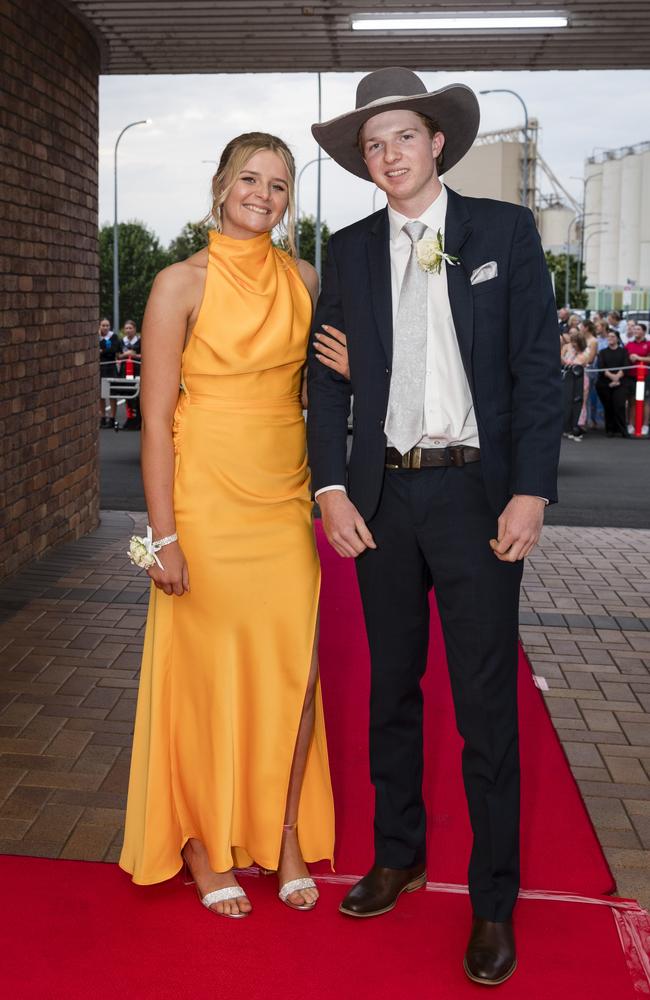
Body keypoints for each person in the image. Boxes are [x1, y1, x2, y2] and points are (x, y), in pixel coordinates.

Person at [307, 68, 561, 986]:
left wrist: (531, 490)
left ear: (437, 143)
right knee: (391, 693)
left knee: (487, 706)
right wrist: (330, 488)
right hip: (382, 501)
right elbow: (327, 382)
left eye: (402, 138)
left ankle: (493, 902)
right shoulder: (348, 249)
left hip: (474, 494)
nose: (388, 155)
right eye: (372, 146)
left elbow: (538, 369)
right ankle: (398, 853)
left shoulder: (501, 232)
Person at [120, 132, 339, 917]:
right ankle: (203, 843)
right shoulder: (178, 283)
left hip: (284, 499)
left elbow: (325, 395)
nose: (263, 194)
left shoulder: (306, 279)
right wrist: (163, 537)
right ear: (221, 186)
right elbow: (152, 425)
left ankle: (280, 834)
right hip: (204, 503)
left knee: (296, 672)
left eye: (278, 185)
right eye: (251, 179)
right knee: (202, 675)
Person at [596, 329, 628, 437]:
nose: (610, 338)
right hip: (605, 382)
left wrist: (617, 378)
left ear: (617, 338)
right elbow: (601, 366)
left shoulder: (623, 351)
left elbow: (625, 365)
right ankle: (610, 429)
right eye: (609, 336)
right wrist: (612, 377)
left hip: (620, 382)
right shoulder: (603, 352)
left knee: (619, 405)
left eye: (613, 336)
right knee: (608, 406)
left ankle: (623, 430)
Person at [561, 329, 591, 440]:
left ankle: (578, 426)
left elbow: (578, 363)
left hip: (581, 380)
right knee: (568, 401)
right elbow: (563, 361)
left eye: (575, 342)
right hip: (569, 379)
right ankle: (568, 426)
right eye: (572, 341)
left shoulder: (585, 352)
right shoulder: (569, 349)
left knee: (580, 402)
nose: (573, 344)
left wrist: (565, 360)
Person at [624, 321, 650, 435]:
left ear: (644, 331)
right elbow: (624, 357)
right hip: (631, 376)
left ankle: (645, 425)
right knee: (631, 401)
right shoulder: (629, 344)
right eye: (635, 329)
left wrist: (639, 357)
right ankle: (630, 424)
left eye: (638, 329)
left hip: (644, 377)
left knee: (644, 401)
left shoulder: (648, 344)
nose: (636, 331)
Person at [117, 318, 142, 430]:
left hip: (137, 370)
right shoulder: (122, 341)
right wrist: (126, 354)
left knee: (137, 395)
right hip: (125, 370)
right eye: (126, 328)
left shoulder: (140, 341)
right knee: (128, 395)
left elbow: (144, 354)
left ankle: (138, 419)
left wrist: (134, 355)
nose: (128, 330)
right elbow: (118, 355)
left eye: (130, 328)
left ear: (135, 329)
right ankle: (130, 418)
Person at [98, 317, 121, 429]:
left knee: (112, 393)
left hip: (111, 367)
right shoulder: (97, 337)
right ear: (99, 326)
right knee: (100, 394)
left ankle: (112, 418)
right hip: (100, 368)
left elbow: (114, 349)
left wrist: (102, 351)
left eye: (107, 325)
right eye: (103, 325)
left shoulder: (114, 337)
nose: (105, 327)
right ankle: (102, 417)